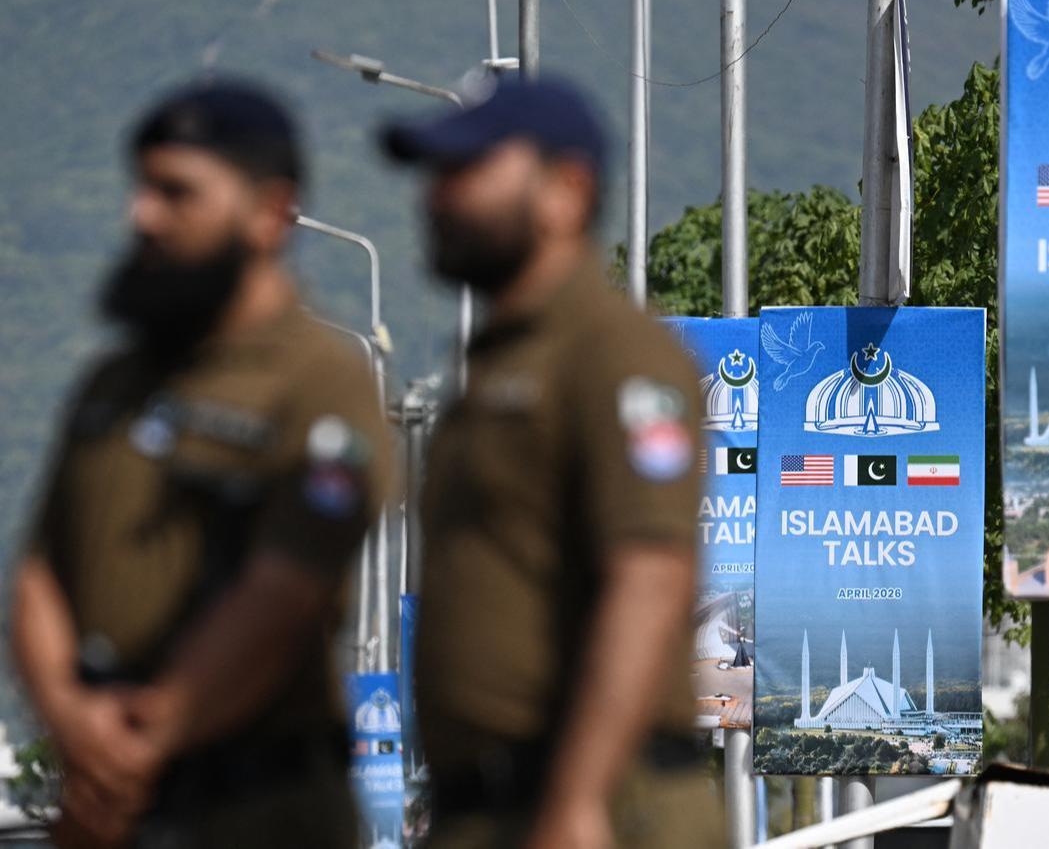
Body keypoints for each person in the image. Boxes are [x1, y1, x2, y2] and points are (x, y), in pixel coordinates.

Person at [10, 80, 392, 848]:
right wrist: (72, 721)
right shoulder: (112, 385)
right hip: (106, 808)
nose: (141, 215)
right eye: (142, 188)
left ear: (267, 211)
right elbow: (39, 573)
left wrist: (146, 740)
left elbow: (287, 589)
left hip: (256, 810)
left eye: (176, 193)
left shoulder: (322, 377)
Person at [382, 78, 721, 849]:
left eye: (467, 171)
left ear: (567, 190)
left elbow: (650, 576)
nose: (437, 197)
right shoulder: (499, 366)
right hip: (493, 809)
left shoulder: (613, 353)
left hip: (596, 804)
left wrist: (577, 801)